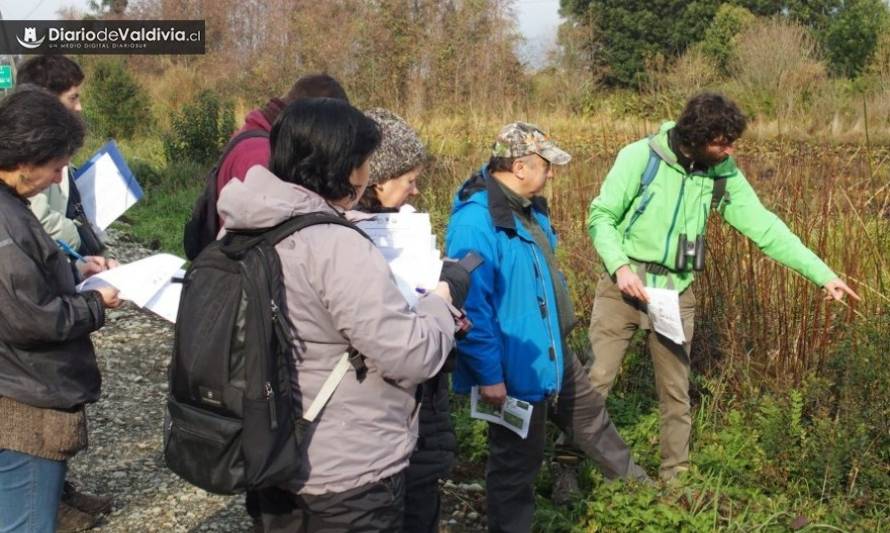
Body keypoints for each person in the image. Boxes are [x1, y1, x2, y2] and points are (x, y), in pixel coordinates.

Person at [216, 98, 466, 532]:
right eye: (365, 162)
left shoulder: (239, 225)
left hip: (268, 445)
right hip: (345, 469)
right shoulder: (336, 244)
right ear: (348, 168)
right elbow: (411, 355)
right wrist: (441, 302)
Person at [585, 92, 860, 481]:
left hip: (675, 294)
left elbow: (763, 226)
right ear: (694, 136)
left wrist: (822, 274)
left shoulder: (721, 171)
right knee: (595, 381)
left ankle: (675, 481)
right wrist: (620, 267)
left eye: (732, 141)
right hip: (622, 288)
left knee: (676, 393)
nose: (729, 150)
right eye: (721, 141)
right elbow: (601, 216)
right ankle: (567, 466)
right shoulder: (639, 158)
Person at [445, 122, 648, 533]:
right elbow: (471, 308)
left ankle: (644, 496)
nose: (552, 172)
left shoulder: (530, 208)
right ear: (520, 167)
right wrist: (489, 374)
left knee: (593, 421)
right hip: (513, 366)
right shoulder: (475, 223)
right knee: (516, 463)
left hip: (553, 351)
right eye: (546, 164)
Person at [0, 89, 121, 533]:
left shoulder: (11, 204)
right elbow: (31, 316)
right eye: (56, 167)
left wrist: (75, 267)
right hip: (22, 405)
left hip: (17, 387)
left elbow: (28, 272)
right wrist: (95, 301)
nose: (58, 180)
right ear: (26, 159)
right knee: (27, 521)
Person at [357, 108, 455, 533]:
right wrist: (444, 296)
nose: (416, 191)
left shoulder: (409, 232)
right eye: (409, 180)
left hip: (419, 413)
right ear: (378, 181)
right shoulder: (344, 243)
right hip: (382, 422)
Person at [16, 55, 105, 257]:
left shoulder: (51, 141)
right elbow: (35, 218)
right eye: (73, 97)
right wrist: (77, 234)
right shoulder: (32, 148)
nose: (79, 107)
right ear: (46, 98)